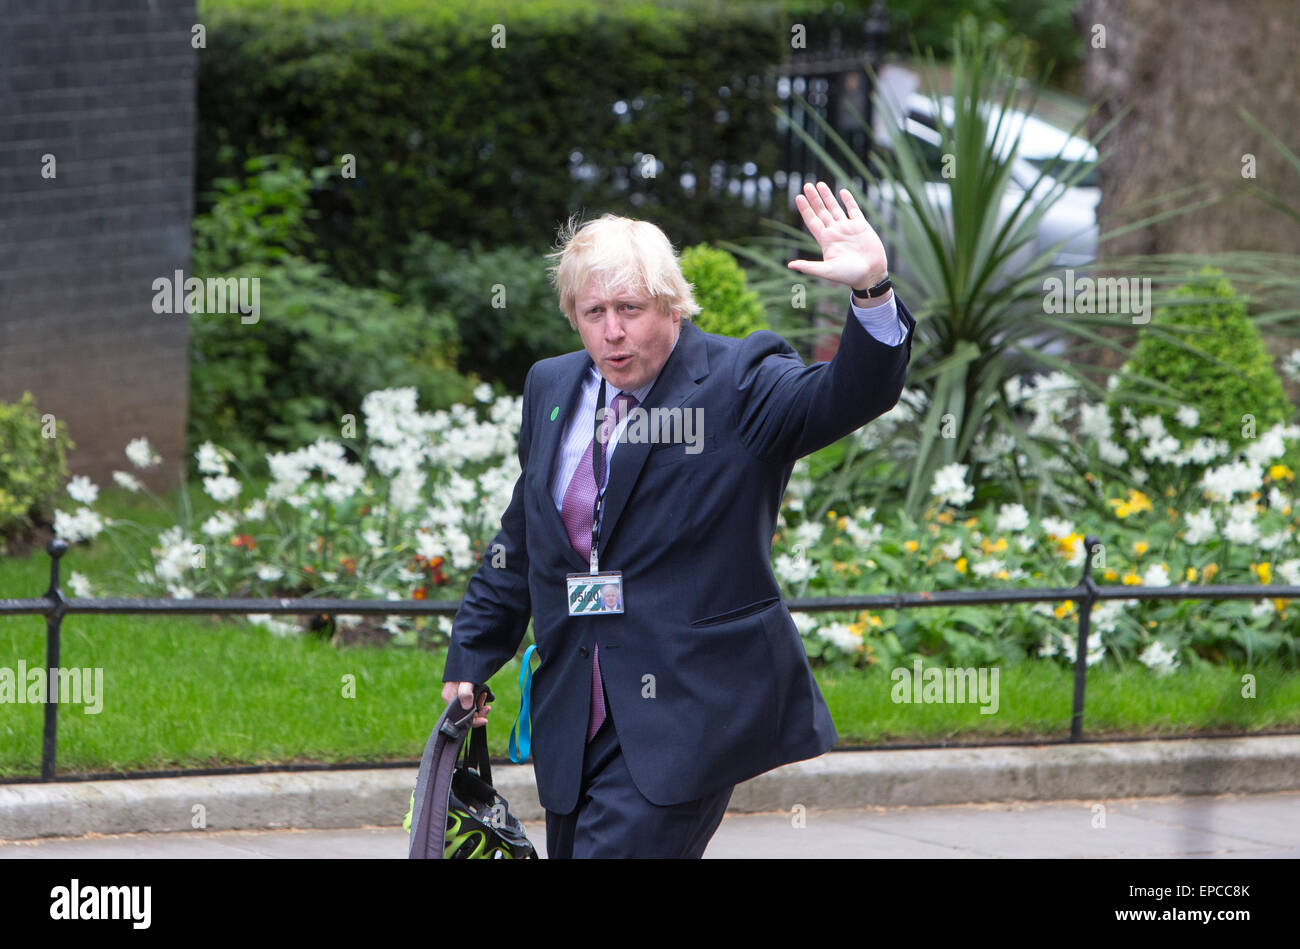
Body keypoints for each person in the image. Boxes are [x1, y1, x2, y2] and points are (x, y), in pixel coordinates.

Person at [442, 181, 916, 858]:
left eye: (630, 309)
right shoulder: (552, 385)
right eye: (593, 311)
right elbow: (524, 538)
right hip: (574, 710)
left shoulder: (739, 379)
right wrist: (471, 656)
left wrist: (870, 290)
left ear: (671, 302)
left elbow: (851, 393)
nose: (612, 331)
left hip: (686, 714)